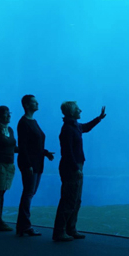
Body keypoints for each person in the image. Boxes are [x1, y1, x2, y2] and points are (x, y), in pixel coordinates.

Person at [52, 101, 106, 242]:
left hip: (76, 166)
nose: (80, 110)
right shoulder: (68, 129)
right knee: (69, 200)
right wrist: (76, 169)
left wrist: (98, 118)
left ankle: (71, 229)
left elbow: (86, 128)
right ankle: (59, 232)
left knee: (76, 200)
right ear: (71, 112)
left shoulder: (74, 126)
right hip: (72, 168)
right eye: (77, 109)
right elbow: (67, 152)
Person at [15, 95, 55, 237]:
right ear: (26, 105)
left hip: (37, 163)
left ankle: (22, 226)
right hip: (30, 164)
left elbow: (34, 145)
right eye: (34, 101)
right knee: (28, 194)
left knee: (30, 193)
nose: (37, 103)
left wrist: (45, 152)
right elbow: (23, 146)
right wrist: (28, 164)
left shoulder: (33, 121)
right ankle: (25, 226)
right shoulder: (24, 123)